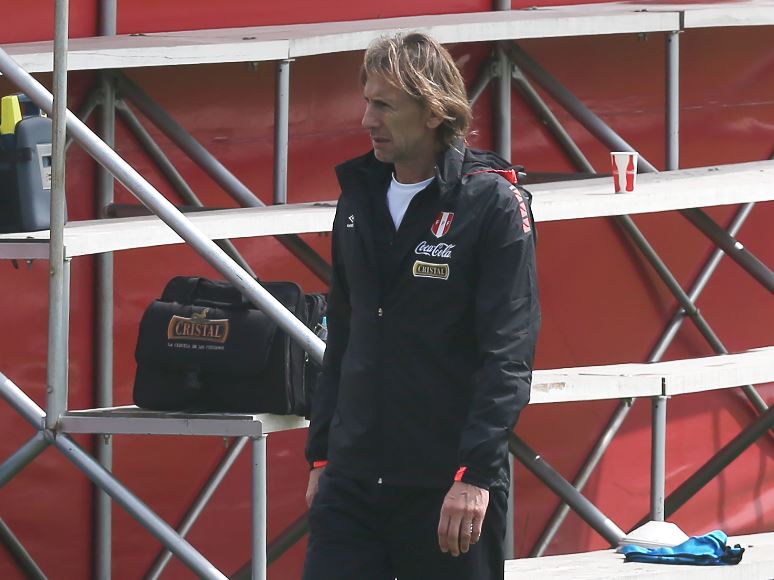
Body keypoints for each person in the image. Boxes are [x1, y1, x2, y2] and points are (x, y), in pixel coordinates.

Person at [303, 31, 540, 580]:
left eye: (384, 105)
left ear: (433, 111)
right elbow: (343, 335)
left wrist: (475, 474)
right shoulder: (357, 194)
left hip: (447, 484)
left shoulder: (492, 202)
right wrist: (322, 455)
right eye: (367, 101)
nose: (367, 120)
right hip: (352, 481)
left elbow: (508, 353)